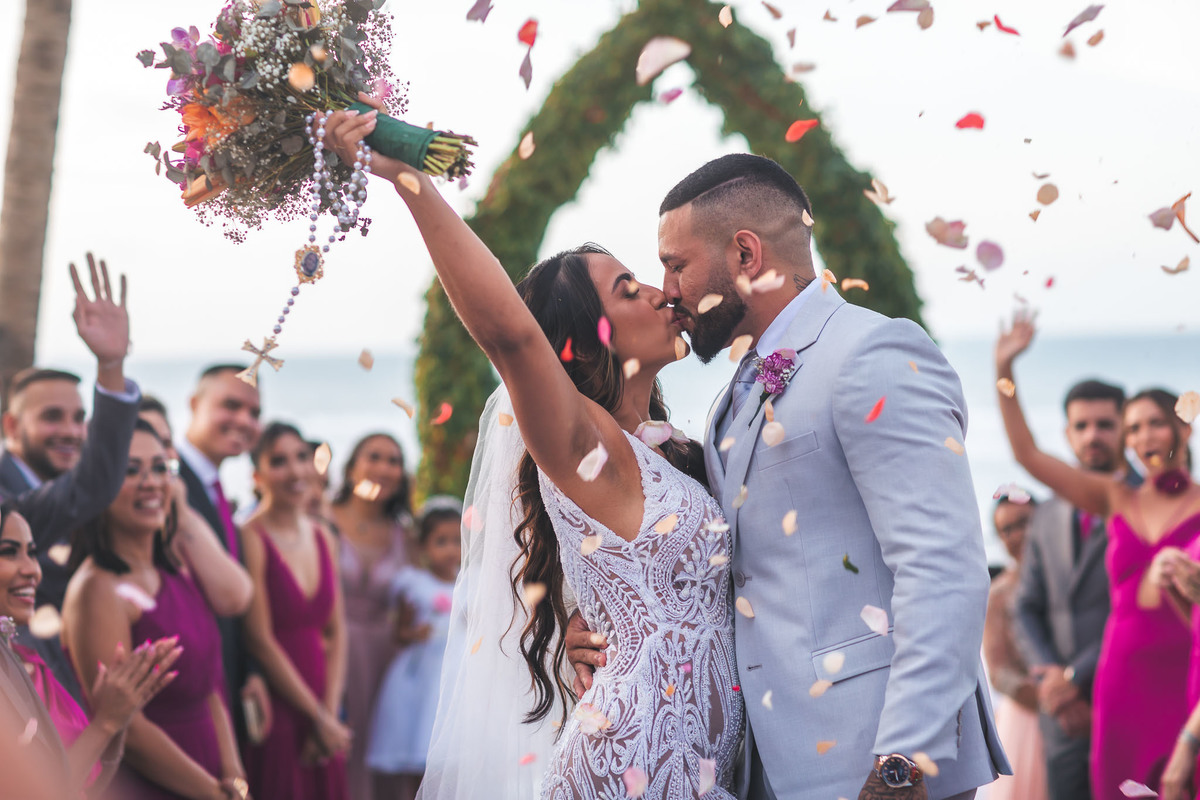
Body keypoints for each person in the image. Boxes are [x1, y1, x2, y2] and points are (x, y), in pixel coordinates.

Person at [325, 99, 742, 798]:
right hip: (632, 763)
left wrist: (585, 627)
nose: (660, 294)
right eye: (628, 289)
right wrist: (408, 179)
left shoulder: (677, 455)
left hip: (702, 763)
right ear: (587, 336)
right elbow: (511, 336)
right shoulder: (587, 447)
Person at [573, 153, 1007, 799]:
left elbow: (943, 565)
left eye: (677, 264)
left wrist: (904, 760)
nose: (668, 289)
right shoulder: (730, 400)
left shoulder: (871, 353)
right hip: (770, 766)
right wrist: (611, 635)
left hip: (874, 761)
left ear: (745, 254)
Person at [996, 310, 1199, 800]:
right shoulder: (1115, 497)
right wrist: (1004, 371)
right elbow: (1029, 456)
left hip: (1182, 674)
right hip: (1121, 679)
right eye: (1134, 429)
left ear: (1182, 430)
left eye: (1155, 424)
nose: (1144, 437)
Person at [61, 420, 254, 800]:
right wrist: (211, 792)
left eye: (159, 467)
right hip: (153, 782)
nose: (151, 482)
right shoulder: (96, 589)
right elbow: (127, 727)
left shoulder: (177, 566)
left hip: (214, 769)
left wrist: (234, 774)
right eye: (130, 470)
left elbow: (211, 684)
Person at [1, 254, 140, 699]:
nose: (70, 431)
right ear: (11, 427)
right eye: (52, 417)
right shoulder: (10, 505)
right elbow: (93, 486)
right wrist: (111, 369)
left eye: (80, 418)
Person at [0, 501, 181, 797]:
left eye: (32, 553)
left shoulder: (32, 664)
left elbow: (91, 785)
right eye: (8, 552)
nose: (32, 569)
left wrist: (117, 717)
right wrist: (105, 723)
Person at [1011, 379, 1134, 800]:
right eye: (1081, 425)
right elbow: (1025, 605)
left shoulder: (1149, 504)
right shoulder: (1045, 513)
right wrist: (1052, 682)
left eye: (1104, 424)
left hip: (1132, 699)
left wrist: (1074, 678)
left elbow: (1135, 611)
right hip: (1060, 716)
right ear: (1067, 432)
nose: (1092, 435)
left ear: (1126, 427)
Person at [240, 422, 350, 800]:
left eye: (302, 457)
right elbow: (258, 638)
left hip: (323, 695)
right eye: (279, 461)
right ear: (257, 475)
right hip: (279, 699)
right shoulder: (249, 536)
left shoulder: (323, 535)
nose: (296, 470)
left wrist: (331, 714)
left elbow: (337, 632)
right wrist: (315, 716)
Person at [176, 364, 271, 745]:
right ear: (195, 403)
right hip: (186, 694)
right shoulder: (167, 485)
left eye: (254, 412)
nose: (244, 421)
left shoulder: (218, 491)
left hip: (226, 681)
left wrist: (249, 672)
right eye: (230, 405)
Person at [328, 432, 415, 800]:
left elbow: (417, 605)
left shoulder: (406, 535)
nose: (384, 468)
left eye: (393, 461)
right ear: (351, 468)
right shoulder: (320, 518)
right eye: (374, 457)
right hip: (329, 651)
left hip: (385, 660)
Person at [367, 497, 462, 800]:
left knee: (452, 758)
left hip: (456, 676)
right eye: (441, 541)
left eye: (457, 541)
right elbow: (399, 634)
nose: (451, 549)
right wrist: (413, 632)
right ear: (423, 547)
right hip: (419, 677)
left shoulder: (470, 583)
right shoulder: (414, 584)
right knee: (418, 750)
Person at [983, 494, 1048, 800]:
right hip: (1027, 720)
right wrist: (1050, 702)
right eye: (1007, 529)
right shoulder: (998, 593)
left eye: (1024, 522)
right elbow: (999, 673)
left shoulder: (1068, 578)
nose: (1017, 534)